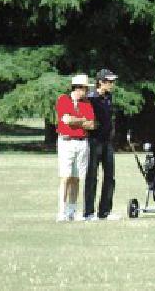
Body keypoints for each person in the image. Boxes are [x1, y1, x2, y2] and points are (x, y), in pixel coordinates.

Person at [56, 74, 96, 222]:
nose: (85, 92)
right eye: (84, 89)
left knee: (77, 178)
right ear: (77, 88)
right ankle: (61, 211)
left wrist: (77, 121)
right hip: (66, 142)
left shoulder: (86, 104)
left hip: (82, 142)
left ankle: (72, 210)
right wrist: (82, 121)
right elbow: (66, 120)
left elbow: (91, 124)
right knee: (65, 177)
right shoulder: (63, 100)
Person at [83, 68, 119, 221]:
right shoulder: (91, 98)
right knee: (92, 176)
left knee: (110, 176)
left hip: (107, 142)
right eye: (109, 81)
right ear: (101, 82)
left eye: (112, 81)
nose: (112, 84)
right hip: (94, 141)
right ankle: (89, 212)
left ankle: (105, 211)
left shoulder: (109, 97)